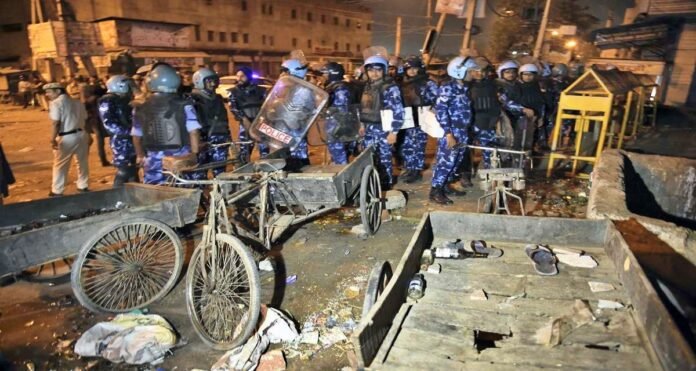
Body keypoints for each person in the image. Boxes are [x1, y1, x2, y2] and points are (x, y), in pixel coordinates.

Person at [131, 63, 201, 185]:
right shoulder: (185, 105)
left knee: (154, 192)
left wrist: (140, 155)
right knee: (181, 191)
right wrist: (194, 154)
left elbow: (136, 136)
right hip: (179, 157)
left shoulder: (139, 107)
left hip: (153, 158)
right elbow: (194, 132)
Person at [430, 56, 478, 205]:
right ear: (459, 71)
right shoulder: (447, 88)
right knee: (446, 163)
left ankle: (446, 185)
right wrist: (448, 134)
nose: (473, 74)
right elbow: (441, 111)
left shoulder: (464, 88)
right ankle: (436, 191)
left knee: (455, 162)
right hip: (451, 132)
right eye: (470, 71)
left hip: (462, 131)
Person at [358, 52, 405, 189]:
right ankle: (372, 184)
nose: (374, 73)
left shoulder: (390, 87)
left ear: (383, 70)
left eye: (378, 70)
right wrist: (362, 125)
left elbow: (398, 111)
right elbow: (364, 107)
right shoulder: (368, 86)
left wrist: (394, 132)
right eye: (371, 70)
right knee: (369, 158)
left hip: (384, 129)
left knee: (385, 159)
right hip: (368, 129)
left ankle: (386, 186)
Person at [44, 82, 91, 197]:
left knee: (60, 164)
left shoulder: (55, 103)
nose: (47, 94)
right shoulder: (77, 102)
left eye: (49, 92)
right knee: (82, 162)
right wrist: (88, 134)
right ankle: (83, 185)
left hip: (67, 137)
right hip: (82, 134)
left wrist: (52, 139)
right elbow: (85, 119)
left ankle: (57, 190)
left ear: (58, 91)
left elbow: (56, 123)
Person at [399, 56, 438, 183]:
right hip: (407, 118)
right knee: (407, 145)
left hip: (421, 117)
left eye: (414, 69)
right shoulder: (403, 83)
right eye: (408, 69)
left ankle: (416, 170)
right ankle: (409, 168)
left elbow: (437, 98)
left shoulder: (428, 83)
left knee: (418, 145)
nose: (411, 71)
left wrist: (431, 109)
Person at [190, 67, 232, 177]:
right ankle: (199, 194)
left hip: (220, 139)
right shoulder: (193, 99)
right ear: (199, 81)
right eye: (209, 81)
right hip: (203, 140)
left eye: (214, 80)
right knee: (199, 173)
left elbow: (224, 119)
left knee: (220, 173)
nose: (213, 84)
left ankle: (219, 193)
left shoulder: (217, 98)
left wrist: (228, 136)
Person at [98, 75, 139, 186]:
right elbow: (110, 124)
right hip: (121, 141)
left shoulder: (122, 100)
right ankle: (116, 197)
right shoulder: (108, 100)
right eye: (129, 86)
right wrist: (130, 131)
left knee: (133, 172)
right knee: (124, 171)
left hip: (130, 139)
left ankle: (133, 199)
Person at [228, 67, 268, 164]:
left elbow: (267, 106)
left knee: (265, 153)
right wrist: (245, 120)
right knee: (244, 153)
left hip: (261, 125)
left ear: (249, 76)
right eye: (237, 76)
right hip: (245, 126)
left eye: (242, 76)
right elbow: (234, 108)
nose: (239, 78)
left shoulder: (261, 90)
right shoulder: (233, 92)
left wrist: (261, 121)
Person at [468, 58, 502, 169]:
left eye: (483, 70)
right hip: (471, 122)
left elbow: (504, 101)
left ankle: (490, 173)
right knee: (467, 151)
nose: (479, 73)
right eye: (476, 70)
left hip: (489, 122)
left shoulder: (494, 85)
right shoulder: (466, 86)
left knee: (490, 150)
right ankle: (466, 175)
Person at [496, 60, 534, 156]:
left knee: (518, 141)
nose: (511, 74)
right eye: (507, 72)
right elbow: (505, 101)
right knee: (505, 142)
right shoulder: (498, 85)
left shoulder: (517, 85)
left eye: (513, 72)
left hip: (517, 117)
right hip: (503, 118)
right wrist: (523, 109)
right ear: (501, 73)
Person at [321, 61, 355, 165]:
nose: (323, 76)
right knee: (334, 154)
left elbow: (342, 110)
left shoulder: (340, 89)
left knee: (339, 156)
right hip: (332, 127)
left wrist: (328, 112)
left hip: (338, 128)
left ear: (333, 74)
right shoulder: (332, 87)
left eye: (325, 73)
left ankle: (342, 177)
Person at [279, 58, 311, 165]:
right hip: (284, 135)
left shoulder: (303, 90)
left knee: (299, 165)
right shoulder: (288, 87)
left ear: (293, 72)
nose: (282, 74)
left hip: (296, 137)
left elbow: (297, 114)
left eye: (285, 71)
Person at [518, 63, 546, 152]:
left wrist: (541, 116)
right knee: (522, 138)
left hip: (535, 115)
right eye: (525, 74)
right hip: (522, 116)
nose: (528, 77)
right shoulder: (518, 87)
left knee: (533, 137)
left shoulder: (537, 87)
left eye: (530, 74)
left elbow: (541, 103)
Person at [83, 76, 110, 166]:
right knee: (99, 139)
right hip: (96, 120)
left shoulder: (86, 98)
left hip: (88, 120)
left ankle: (82, 159)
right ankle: (103, 160)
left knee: (88, 141)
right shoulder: (100, 98)